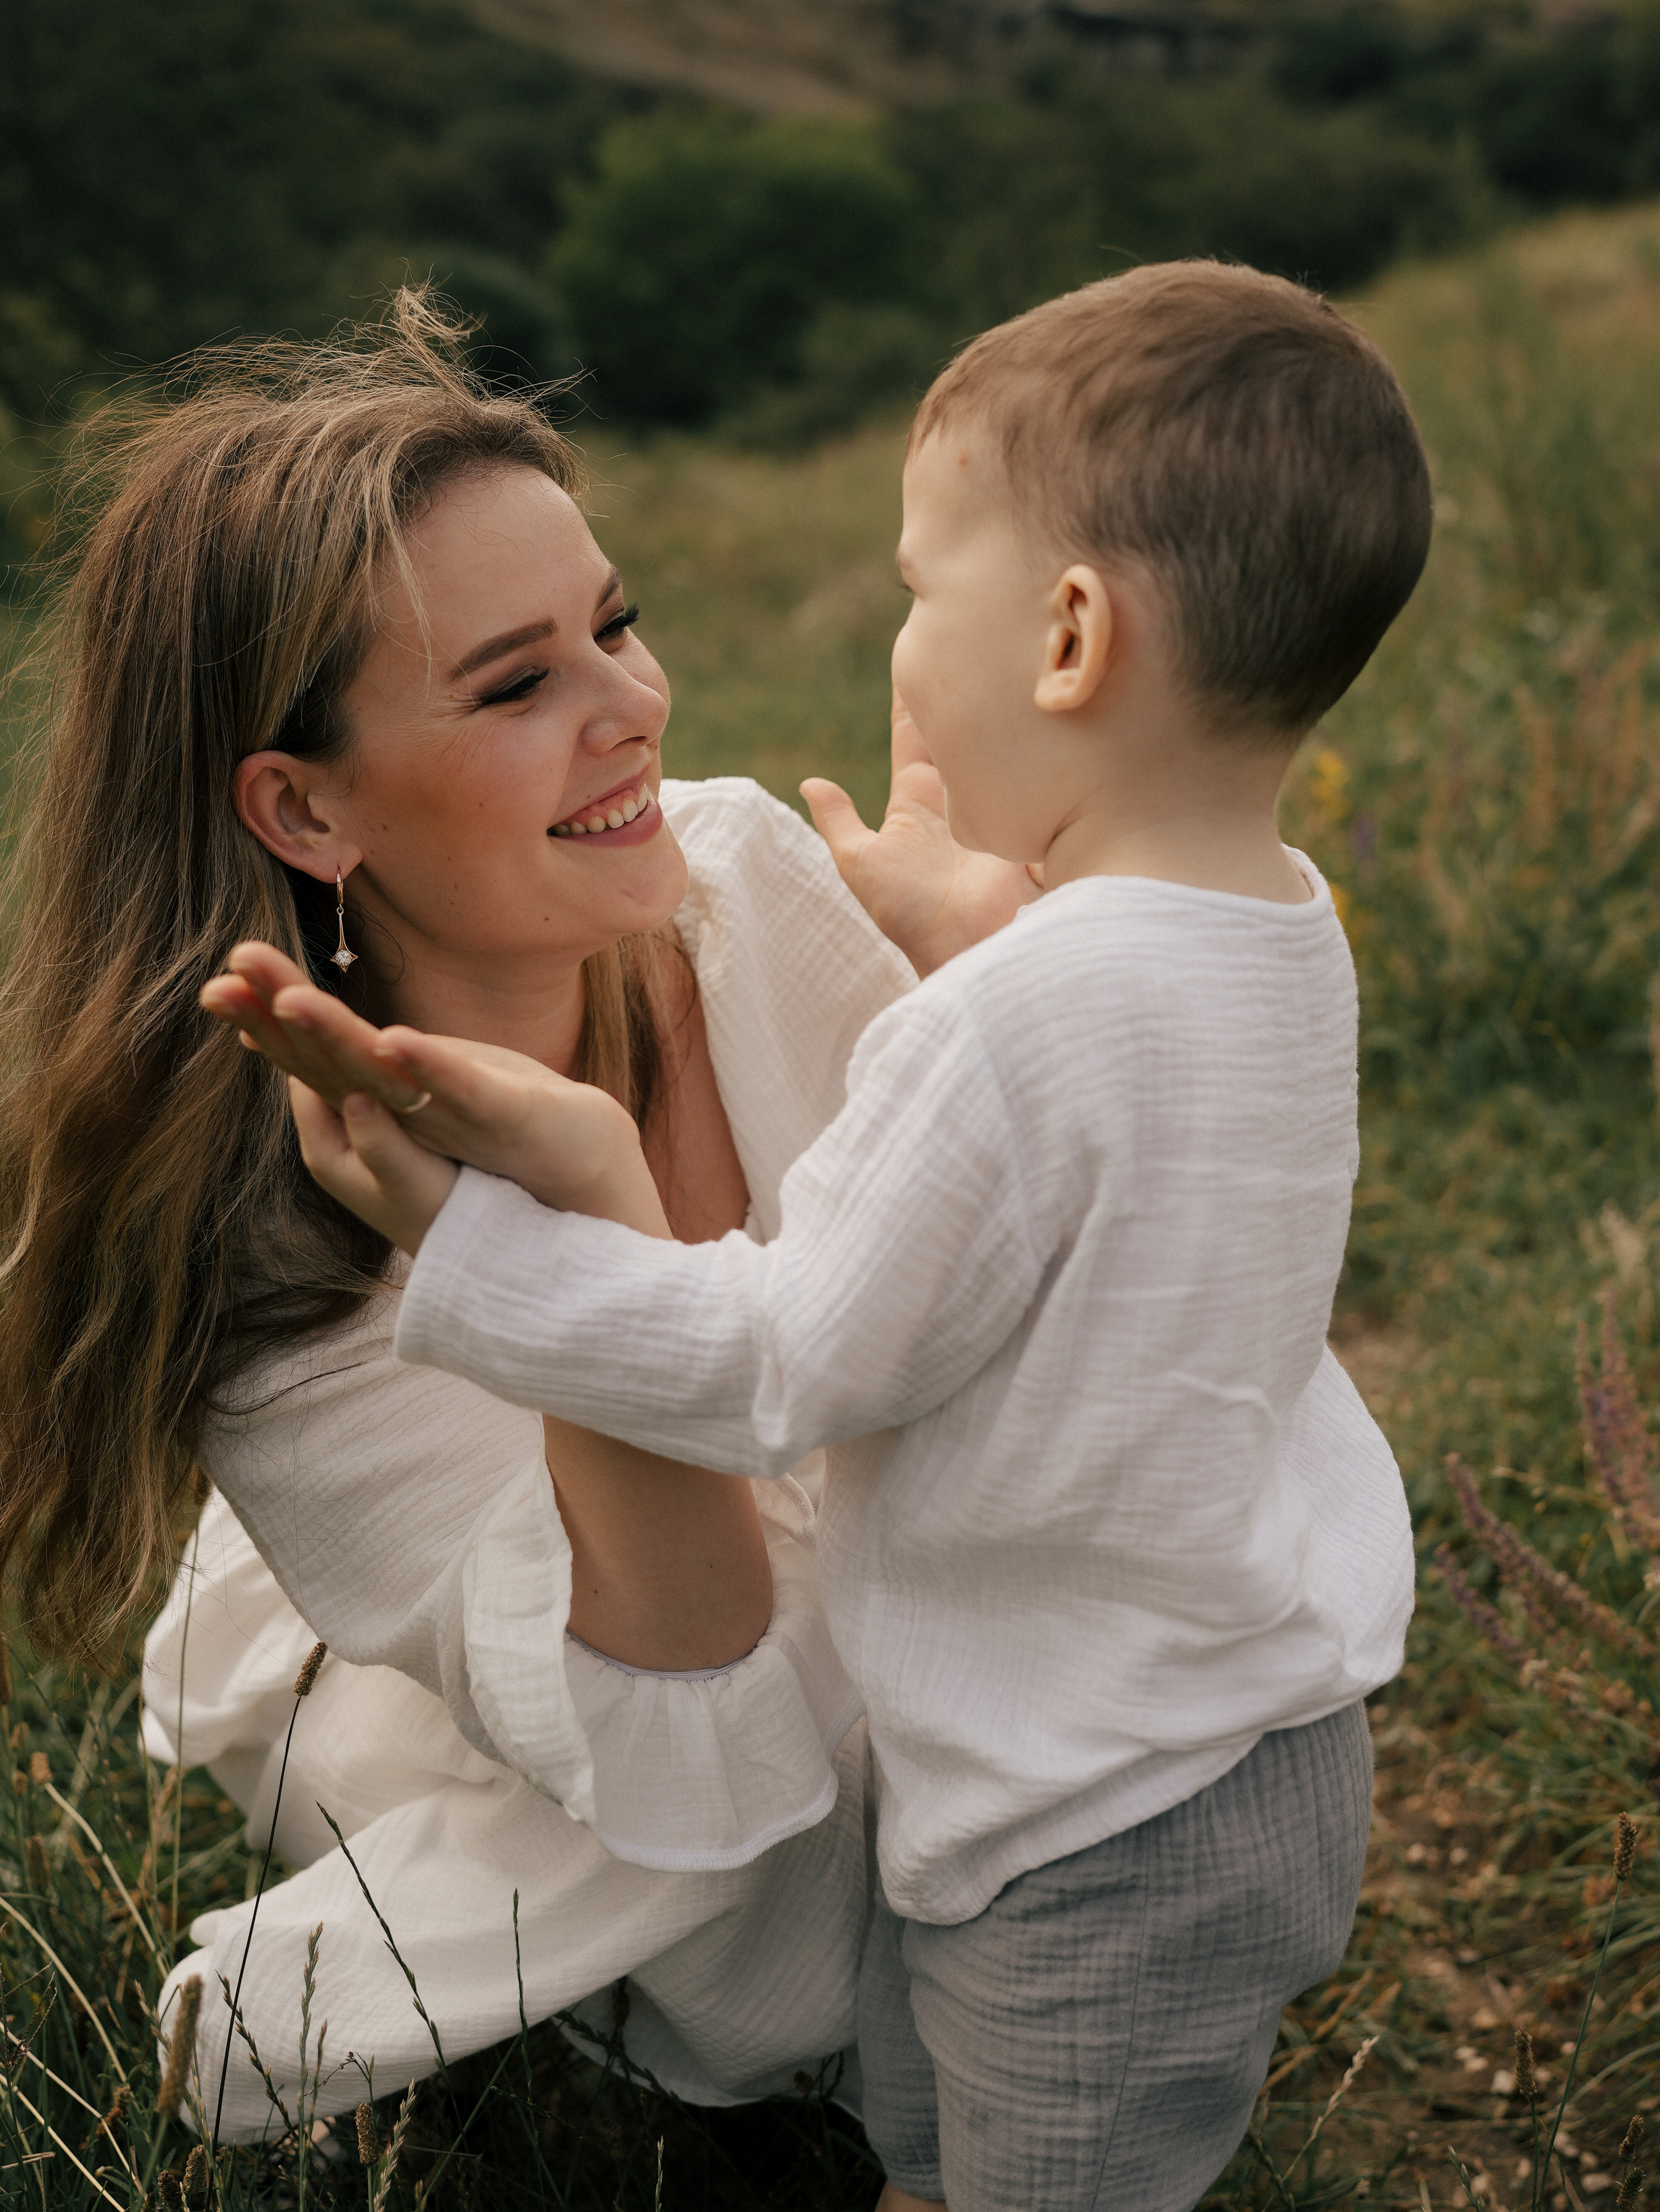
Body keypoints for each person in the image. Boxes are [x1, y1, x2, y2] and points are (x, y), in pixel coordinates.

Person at [244, 263, 1423, 2211]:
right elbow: (1131, 1155)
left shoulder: (1003, 1013)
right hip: (1250, 1743)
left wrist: (507, 1251)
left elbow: (791, 1357)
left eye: (911, 586)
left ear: (1066, 635)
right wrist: (991, 956)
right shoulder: (1282, 927)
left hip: (1090, 1817)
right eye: (523, 676)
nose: (643, 698)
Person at [0, 293, 1001, 2202]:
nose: (632, 705)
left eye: (612, 622)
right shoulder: (277, 1300)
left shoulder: (740, 881)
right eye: (515, 683)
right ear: (305, 805)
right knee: (781, 1908)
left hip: (800, 1624)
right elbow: (717, 1722)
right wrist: (593, 1223)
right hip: (593, 1707)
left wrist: (1023, 979)